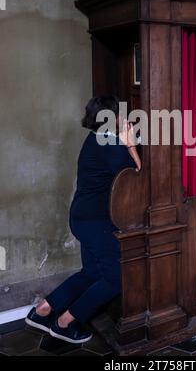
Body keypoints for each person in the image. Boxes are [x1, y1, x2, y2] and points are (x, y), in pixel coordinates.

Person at [25, 96, 142, 344]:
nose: (125, 118)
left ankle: (43, 309)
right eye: (120, 114)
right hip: (94, 222)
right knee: (116, 279)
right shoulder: (109, 145)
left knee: (91, 272)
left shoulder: (99, 138)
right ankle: (65, 322)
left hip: (83, 217)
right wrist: (131, 144)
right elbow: (134, 176)